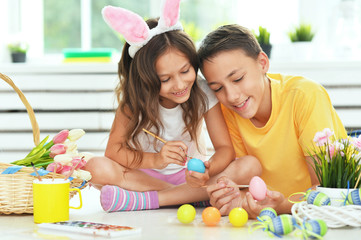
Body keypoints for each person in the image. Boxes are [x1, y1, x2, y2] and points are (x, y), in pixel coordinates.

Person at [84, 1, 261, 212]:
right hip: (144, 176)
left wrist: (207, 169)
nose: (179, 84)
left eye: (185, 71)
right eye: (165, 79)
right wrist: (156, 159)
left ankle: (147, 200)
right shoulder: (135, 101)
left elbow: (225, 149)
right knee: (94, 167)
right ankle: (191, 197)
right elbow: (113, 151)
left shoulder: (202, 91)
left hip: (190, 178)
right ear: (146, 79)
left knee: (250, 165)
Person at [197, 24, 347, 218]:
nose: (232, 96)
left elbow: (327, 191)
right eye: (218, 88)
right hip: (280, 217)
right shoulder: (229, 112)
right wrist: (236, 199)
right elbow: (248, 186)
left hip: (336, 214)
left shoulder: (305, 97)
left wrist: (282, 206)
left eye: (238, 79)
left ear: (262, 63)